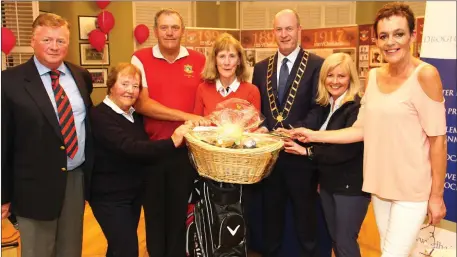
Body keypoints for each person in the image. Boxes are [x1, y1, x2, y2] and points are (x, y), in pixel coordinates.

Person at [286, 3, 447, 257]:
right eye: (383, 36)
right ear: (376, 40)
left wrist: (436, 196)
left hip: (412, 189)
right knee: (389, 249)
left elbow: (438, 140)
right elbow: (360, 129)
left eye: (399, 34)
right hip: (379, 186)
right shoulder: (373, 76)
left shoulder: (426, 75)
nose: (390, 42)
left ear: (413, 36)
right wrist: (313, 135)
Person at [1, 13, 93, 257]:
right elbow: (2, 143)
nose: (54, 47)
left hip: (75, 180)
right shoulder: (8, 82)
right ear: (33, 41)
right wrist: (3, 195)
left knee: (70, 250)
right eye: (47, 40)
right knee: (38, 252)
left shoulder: (81, 76)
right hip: (32, 187)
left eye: (61, 41)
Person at [89, 63, 193, 257]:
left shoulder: (133, 116)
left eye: (136, 86)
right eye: (125, 84)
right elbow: (130, 147)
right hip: (110, 197)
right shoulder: (100, 116)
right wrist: (172, 141)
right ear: (111, 85)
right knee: (127, 250)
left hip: (131, 195)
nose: (130, 90)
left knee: (118, 248)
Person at [130, 8, 207, 257]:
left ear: (183, 31)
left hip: (186, 151)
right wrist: (186, 117)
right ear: (155, 31)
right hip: (152, 150)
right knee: (154, 214)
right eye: (164, 27)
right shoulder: (139, 58)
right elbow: (142, 103)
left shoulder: (199, 60)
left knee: (179, 213)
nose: (170, 33)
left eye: (175, 27)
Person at [251, 9, 324, 257]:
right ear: (273, 33)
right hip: (270, 159)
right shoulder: (260, 69)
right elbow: (257, 110)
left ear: (299, 30)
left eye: (289, 29)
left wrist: (293, 132)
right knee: (271, 219)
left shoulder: (317, 65)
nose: (284, 35)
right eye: (279, 29)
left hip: (300, 156)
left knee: (305, 221)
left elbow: (318, 108)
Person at [283, 53, 370, 257]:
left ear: (351, 78)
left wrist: (306, 152)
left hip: (350, 188)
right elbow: (325, 139)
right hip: (330, 184)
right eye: (330, 75)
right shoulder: (328, 106)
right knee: (336, 241)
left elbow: (346, 149)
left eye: (341, 76)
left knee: (345, 242)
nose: (335, 81)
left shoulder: (356, 107)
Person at [194, 32, 261, 116]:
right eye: (222, 56)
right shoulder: (203, 89)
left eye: (232, 56)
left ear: (239, 61)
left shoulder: (252, 91)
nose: (227, 62)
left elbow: (253, 127)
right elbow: (196, 125)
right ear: (215, 60)